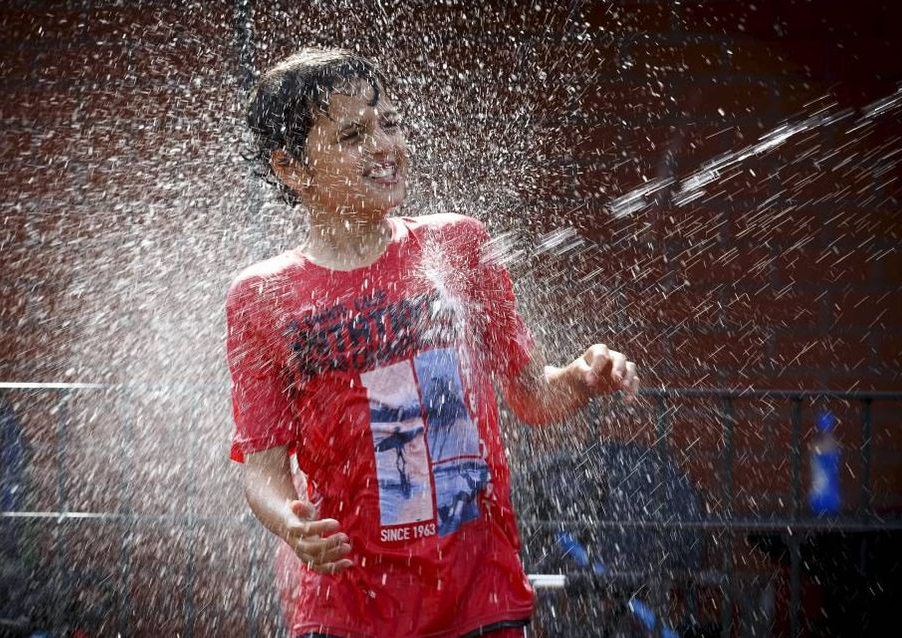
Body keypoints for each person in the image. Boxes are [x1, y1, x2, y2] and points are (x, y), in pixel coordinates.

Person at [227, 48, 640, 638]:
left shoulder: (458, 247)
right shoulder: (261, 298)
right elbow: (262, 467)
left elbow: (530, 398)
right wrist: (290, 524)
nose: (383, 145)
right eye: (352, 134)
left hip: (477, 592)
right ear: (291, 168)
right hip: (346, 602)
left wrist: (580, 377)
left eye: (388, 124)